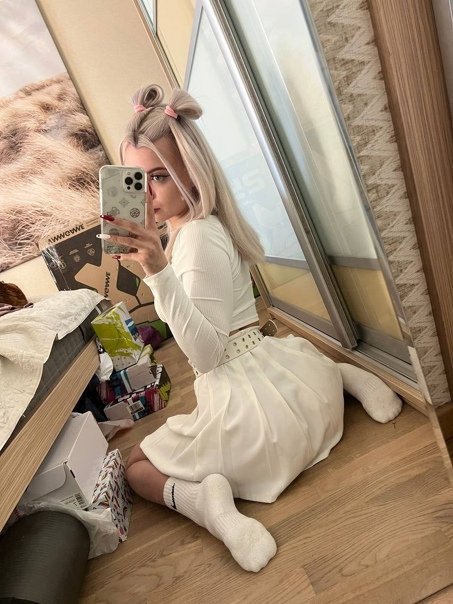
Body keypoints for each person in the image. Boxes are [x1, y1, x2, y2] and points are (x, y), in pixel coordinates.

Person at [99, 84, 402, 572]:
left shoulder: (195, 238)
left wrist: (157, 272)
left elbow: (206, 356)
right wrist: (157, 264)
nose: (146, 194)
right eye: (136, 180)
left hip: (252, 415)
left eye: (159, 176)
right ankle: (338, 378)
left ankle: (208, 508)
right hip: (278, 377)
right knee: (300, 360)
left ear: (191, 173)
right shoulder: (193, 230)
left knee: (134, 466)